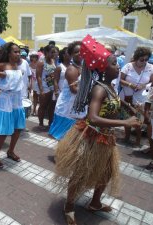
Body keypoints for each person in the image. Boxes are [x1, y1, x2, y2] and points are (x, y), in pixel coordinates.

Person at [53, 35, 141, 225]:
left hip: (106, 139)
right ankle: (68, 207)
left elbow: (113, 101)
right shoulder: (99, 89)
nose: (118, 66)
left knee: (107, 172)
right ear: (103, 68)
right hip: (90, 138)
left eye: (117, 63)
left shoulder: (109, 86)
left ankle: (94, 203)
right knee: (80, 174)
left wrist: (128, 107)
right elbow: (93, 117)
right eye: (114, 64)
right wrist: (125, 124)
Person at [119, 47, 153, 147]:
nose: (144, 62)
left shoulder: (151, 67)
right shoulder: (128, 66)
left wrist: (144, 86)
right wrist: (131, 85)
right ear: (136, 58)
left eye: (146, 59)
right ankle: (126, 137)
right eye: (142, 59)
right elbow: (120, 80)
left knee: (139, 119)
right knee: (126, 116)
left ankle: (138, 140)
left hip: (141, 98)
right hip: (127, 96)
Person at [49, 41, 86, 140]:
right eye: (76, 52)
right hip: (68, 106)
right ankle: (62, 154)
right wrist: (89, 92)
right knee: (65, 135)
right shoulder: (72, 69)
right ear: (71, 54)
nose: (79, 53)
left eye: (81, 51)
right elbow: (74, 89)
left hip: (77, 104)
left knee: (73, 135)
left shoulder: (83, 67)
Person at [36, 44, 57, 128]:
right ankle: (41, 123)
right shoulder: (41, 62)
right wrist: (41, 90)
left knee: (51, 106)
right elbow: (39, 76)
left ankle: (50, 123)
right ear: (46, 52)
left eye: (54, 52)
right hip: (44, 87)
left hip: (52, 86)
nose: (53, 54)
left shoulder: (53, 61)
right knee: (43, 106)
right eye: (51, 52)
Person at [29, 51, 39, 116]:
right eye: (32, 56)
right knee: (33, 96)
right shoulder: (29, 65)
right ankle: (34, 109)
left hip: (38, 82)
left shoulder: (39, 64)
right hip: (32, 82)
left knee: (36, 96)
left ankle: (35, 109)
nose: (33, 58)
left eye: (35, 56)